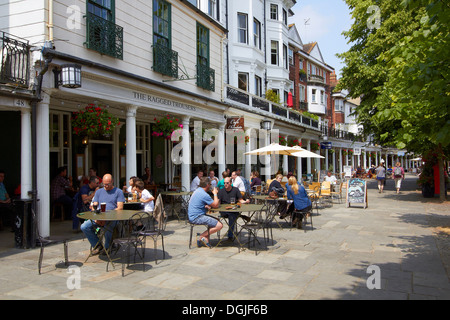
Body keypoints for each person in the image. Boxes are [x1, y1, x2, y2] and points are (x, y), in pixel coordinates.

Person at [80, 174, 125, 255]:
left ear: (112, 182)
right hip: (99, 216)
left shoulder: (118, 192)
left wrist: (107, 217)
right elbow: (94, 205)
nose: (106, 186)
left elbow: (120, 208)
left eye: (108, 184)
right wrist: (97, 215)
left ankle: (107, 247)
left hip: (113, 217)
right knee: (84, 227)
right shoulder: (99, 192)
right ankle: (97, 245)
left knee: (108, 226)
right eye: (104, 184)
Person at [188, 177, 221, 248]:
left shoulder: (198, 190)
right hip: (196, 217)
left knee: (216, 221)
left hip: (193, 215)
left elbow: (198, 202)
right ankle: (201, 236)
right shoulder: (204, 194)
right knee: (219, 225)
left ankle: (205, 239)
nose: (211, 186)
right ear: (207, 185)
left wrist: (204, 206)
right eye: (210, 184)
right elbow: (216, 205)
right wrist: (215, 194)